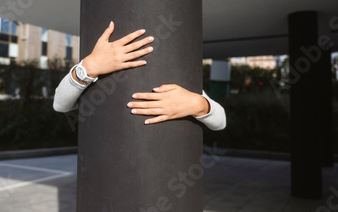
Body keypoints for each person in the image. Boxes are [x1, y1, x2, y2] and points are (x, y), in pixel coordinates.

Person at [53, 21, 226, 131]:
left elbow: (221, 121)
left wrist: (199, 104)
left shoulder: (176, 82)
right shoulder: (99, 70)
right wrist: (87, 67)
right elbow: (60, 104)